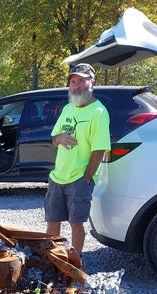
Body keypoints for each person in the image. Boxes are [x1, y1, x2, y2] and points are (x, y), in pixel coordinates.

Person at [45, 63, 111, 256]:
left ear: (92, 83)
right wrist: (60, 138)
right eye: (73, 82)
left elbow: (99, 149)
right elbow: (54, 139)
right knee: (52, 223)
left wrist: (87, 178)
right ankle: (52, 261)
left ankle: (75, 262)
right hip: (58, 176)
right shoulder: (68, 109)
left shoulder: (98, 112)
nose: (76, 86)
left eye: (82, 81)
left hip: (79, 178)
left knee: (76, 224)